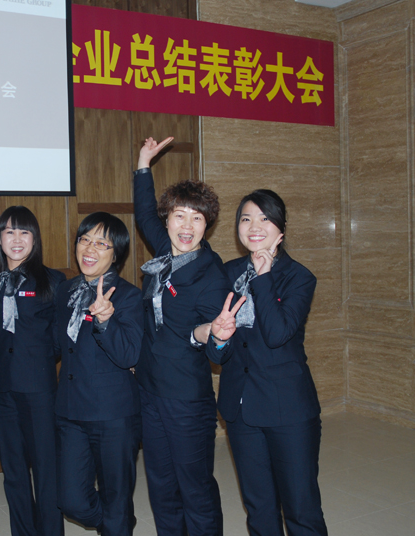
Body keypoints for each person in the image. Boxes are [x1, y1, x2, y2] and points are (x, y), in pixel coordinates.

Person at [131, 136, 242, 536]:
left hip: (186, 401)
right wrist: (144, 164)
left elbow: (215, 348)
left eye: (197, 219)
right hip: (150, 391)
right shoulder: (165, 250)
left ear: (206, 225)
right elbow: (144, 211)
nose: (187, 227)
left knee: (195, 489)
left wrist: (215, 334)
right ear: (168, 220)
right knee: (161, 485)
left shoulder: (212, 276)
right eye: (180, 216)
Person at [206, 190, 328, 536]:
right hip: (241, 409)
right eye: (246, 219)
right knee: (259, 508)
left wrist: (263, 277)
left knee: (301, 509)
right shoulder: (228, 273)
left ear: (281, 228)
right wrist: (219, 339)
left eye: (264, 218)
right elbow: (218, 354)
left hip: (288, 409)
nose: (254, 227)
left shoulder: (299, 278)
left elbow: (277, 334)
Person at [54, 213, 143, 536]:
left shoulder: (129, 296)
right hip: (70, 412)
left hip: (113, 415)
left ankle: (117, 525)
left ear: (116, 254)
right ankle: (115, 525)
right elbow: (57, 345)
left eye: (101, 243)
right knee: (71, 499)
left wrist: (106, 321)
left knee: (116, 498)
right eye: (85, 240)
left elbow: (129, 355)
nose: (90, 249)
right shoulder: (66, 291)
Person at [0, 206, 66, 536]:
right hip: (1, 388)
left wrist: (36, 361)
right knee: (14, 470)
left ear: (35, 238)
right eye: (9, 232)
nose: (17, 239)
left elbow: (59, 339)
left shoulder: (53, 281)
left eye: (24, 232)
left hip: (39, 388)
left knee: (46, 469)